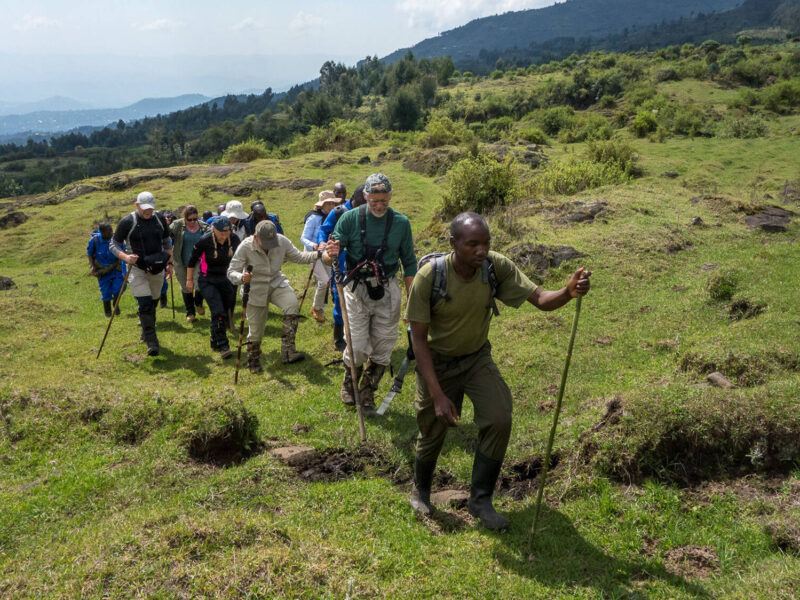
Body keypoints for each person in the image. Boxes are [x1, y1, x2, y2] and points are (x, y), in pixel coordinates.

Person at [405, 212, 591, 529]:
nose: (481, 250)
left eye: (486, 243)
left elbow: (541, 300)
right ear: (453, 243)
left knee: (499, 416)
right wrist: (437, 395)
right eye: (472, 244)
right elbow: (418, 340)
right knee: (434, 428)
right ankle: (421, 491)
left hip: (477, 357)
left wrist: (568, 291)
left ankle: (480, 500)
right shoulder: (429, 277)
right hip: (437, 362)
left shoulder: (494, 267)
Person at [323, 173, 417, 417]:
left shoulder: (401, 223)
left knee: (384, 346)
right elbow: (330, 253)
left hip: (387, 289)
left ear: (390, 197)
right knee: (358, 346)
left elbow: (409, 264)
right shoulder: (349, 219)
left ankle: (367, 391)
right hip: (356, 290)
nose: (379, 205)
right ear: (365, 196)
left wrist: (413, 303)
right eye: (374, 200)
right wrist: (329, 252)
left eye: (384, 201)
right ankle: (349, 381)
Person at [228, 220, 321, 371]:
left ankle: (288, 351)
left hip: (276, 283)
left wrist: (319, 254)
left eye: (271, 241)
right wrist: (241, 277)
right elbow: (231, 271)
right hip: (254, 289)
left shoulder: (281, 241)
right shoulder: (245, 246)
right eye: (265, 241)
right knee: (256, 331)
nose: (268, 245)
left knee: (292, 305)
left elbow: (298, 257)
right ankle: (253, 359)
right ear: (255, 237)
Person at [109, 191, 172, 356]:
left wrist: (169, 262)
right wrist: (126, 257)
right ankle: (152, 342)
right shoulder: (127, 221)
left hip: (157, 267)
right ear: (137, 205)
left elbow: (166, 240)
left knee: (153, 302)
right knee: (144, 302)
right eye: (144, 209)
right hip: (136, 268)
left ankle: (146, 329)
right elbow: (113, 244)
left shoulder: (159, 219)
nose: (148, 212)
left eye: (150, 208)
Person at [317, 185, 366, 350]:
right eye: (361, 202)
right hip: (341, 261)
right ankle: (339, 337)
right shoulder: (338, 212)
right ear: (355, 198)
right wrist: (323, 245)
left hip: (361, 261)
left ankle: (358, 333)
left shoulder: (368, 212)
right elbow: (324, 231)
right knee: (339, 298)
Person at [186, 217, 240, 358]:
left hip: (227, 279)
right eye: (221, 233)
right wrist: (189, 280)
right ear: (213, 229)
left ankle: (214, 340)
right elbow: (191, 261)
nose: (224, 236)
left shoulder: (234, 240)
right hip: (207, 280)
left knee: (226, 308)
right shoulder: (204, 241)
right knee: (218, 311)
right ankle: (223, 345)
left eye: (226, 232)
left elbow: (242, 258)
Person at [301, 191, 337, 322]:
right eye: (328, 204)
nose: (331, 206)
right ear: (322, 205)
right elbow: (303, 238)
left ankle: (321, 312)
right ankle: (316, 308)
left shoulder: (332, 217)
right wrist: (314, 245)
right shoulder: (313, 218)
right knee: (324, 281)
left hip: (325, 253)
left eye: (333, 203)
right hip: (311, 253)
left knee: (328, 281)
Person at [170, 205, 210, 322]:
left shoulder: (204, 227)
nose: (192, 222)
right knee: (186, 287)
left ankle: (198, 303)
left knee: (199, 284)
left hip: (199, 261)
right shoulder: (178, 225)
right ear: (185, 218)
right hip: (181, 260)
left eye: (195, 219)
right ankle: (190, 312)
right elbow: (167, 233)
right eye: (190, 219)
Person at [87, 222, 126, 318]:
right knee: (106, 292)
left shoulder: (116, 239)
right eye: (109, 231)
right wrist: (92, 266)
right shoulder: (94, 241)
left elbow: (123, 253)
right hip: (102, 270)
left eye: (111, 230)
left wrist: (125, 270)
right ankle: (108, 313)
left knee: (119, 288)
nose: (111, 232)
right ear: (102, 232)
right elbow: (90, 254)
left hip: (116, 267)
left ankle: (116, 306)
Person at [157, 210, 175, 309]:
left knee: (163, 282)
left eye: (169, 217)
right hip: (154, 259)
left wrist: (170, 262)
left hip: (165, 259)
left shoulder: (168, 231)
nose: (168, 219)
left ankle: (163, 303)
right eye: (165, 218)